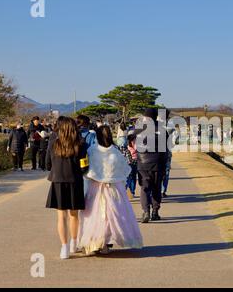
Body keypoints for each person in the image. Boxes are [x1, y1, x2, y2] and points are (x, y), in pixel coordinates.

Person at [78, 125, 142, 255]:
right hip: (114, 188)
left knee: (94, 216)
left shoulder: (92, 150)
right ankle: (106, 243)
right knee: (112, 216)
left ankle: (94, 242)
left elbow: (87, 169)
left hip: (96, 188)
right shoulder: (115, 151)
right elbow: (124, 168)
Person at [45, 116, 87, 260]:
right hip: (75, 180)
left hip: (58, 180)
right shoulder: (80, 143)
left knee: (61, 216)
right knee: (74, 215)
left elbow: (47, 162)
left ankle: (64, 247)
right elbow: (84, 165)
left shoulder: (53, 141)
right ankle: (74, 243)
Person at [135, 108, 168, 223]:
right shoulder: (162, 129)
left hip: (143, 164)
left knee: (145, 188)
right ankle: (155, 212)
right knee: (156, 188)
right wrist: (164, 166)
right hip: (158, 163)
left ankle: (145, 211)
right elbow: (165, 151)